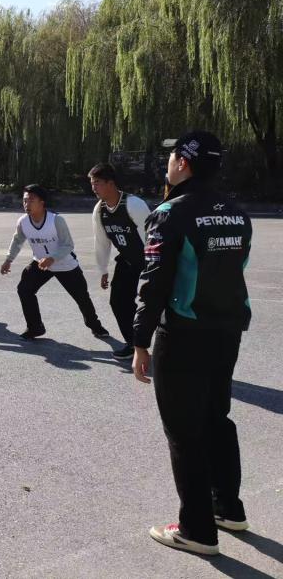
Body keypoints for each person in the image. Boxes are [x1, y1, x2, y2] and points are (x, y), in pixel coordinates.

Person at [132, 132, 253, 557]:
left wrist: (140, 341)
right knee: (217, 418)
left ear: (183, 162)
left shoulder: (170, 213)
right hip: (227, 330)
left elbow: (154, 282)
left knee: (184, 432)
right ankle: (228, 508)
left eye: (171, 156)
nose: (168, 163)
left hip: (183, 333)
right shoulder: (236, 213)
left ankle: (197, 530)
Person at [0, 184, 108, 340]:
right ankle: (35, 327)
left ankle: (96, 326)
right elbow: (17, 240)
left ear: (42, 202)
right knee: (24, 289)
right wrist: (8, 259)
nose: (26, 204)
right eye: (24, 200)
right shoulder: (23, 222)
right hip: (40, 264)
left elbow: (68, 245)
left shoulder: (56, 220)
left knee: (82, 297)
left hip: (65, 265)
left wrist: (52, 258)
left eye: (31, 200)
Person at [89, 163, 150, 361]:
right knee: (118, 301)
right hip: (127, 260)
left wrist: (156, 267)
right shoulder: (99, 210)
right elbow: (102, 242)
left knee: (156, 305)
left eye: (97, 183)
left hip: (148, 260)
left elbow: (152, 237)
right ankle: (133, 343)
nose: (94, 187)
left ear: (111, 183)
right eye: (92, 183)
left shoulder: (134, 205)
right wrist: (103, 269)